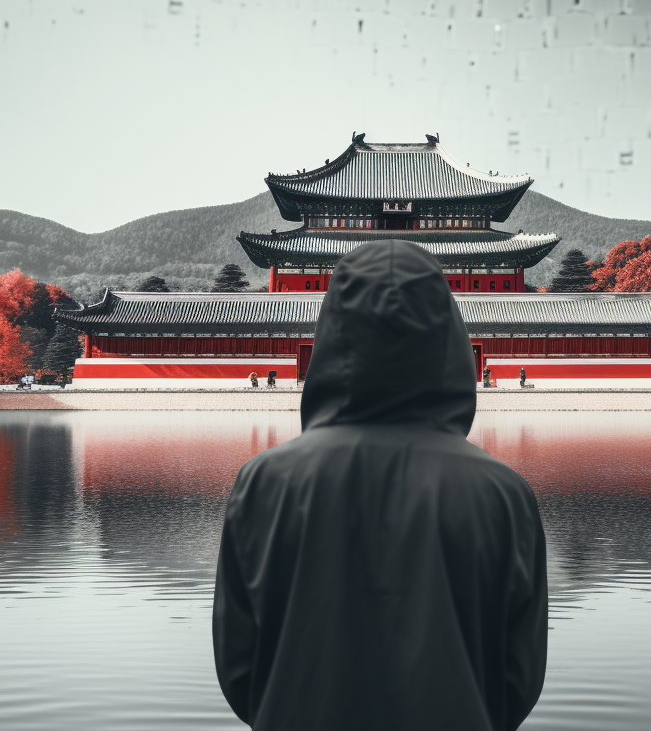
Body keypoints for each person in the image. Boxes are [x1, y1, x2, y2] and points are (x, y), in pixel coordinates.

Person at [212, 241, 548, 731]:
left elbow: (238, 662)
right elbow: (519, 675)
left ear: (332, 335)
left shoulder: (265, 481)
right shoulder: (503, 492)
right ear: (448, 338)